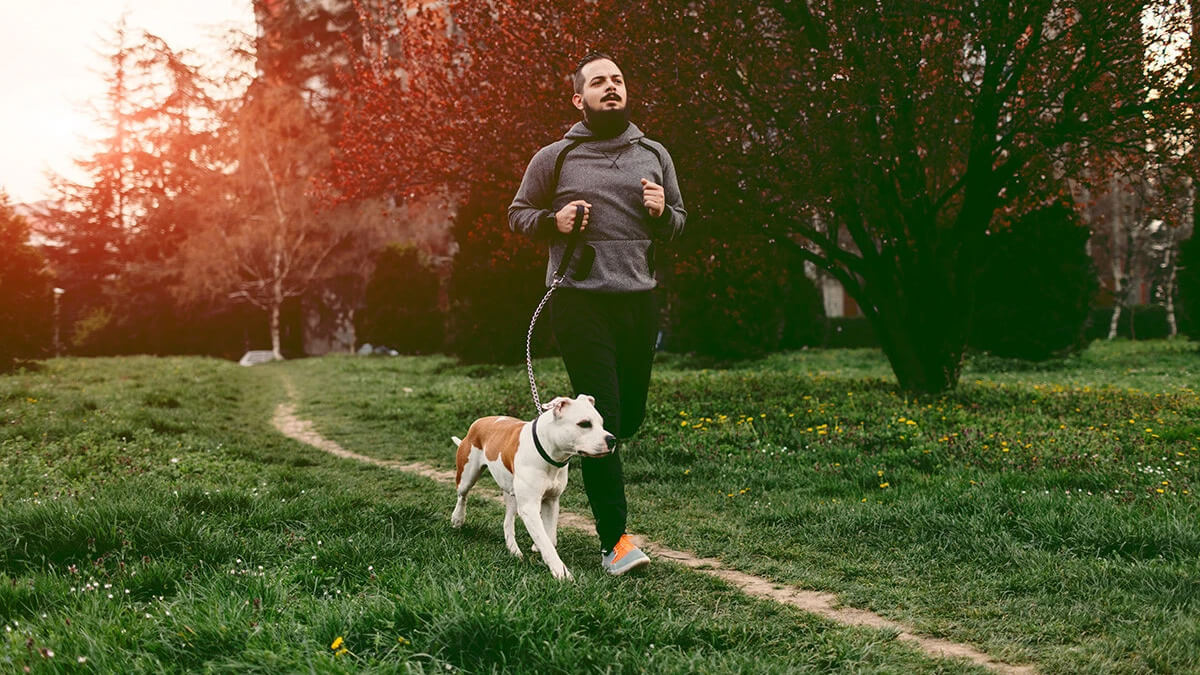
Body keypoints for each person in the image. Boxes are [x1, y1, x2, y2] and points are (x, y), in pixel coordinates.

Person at [508, 52, 686, 575]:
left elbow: (679, 222)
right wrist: (553, 220)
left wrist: (661, 213)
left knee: (626, 419)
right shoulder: (555, 158)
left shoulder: (654, 153)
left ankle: (555, 455)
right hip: (579, 299)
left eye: (618, 80)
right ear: (578, 97)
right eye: (599, 82)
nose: (611, 88)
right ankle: (615, 543)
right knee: (601, 411)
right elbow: (518, 214)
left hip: (638, 299)